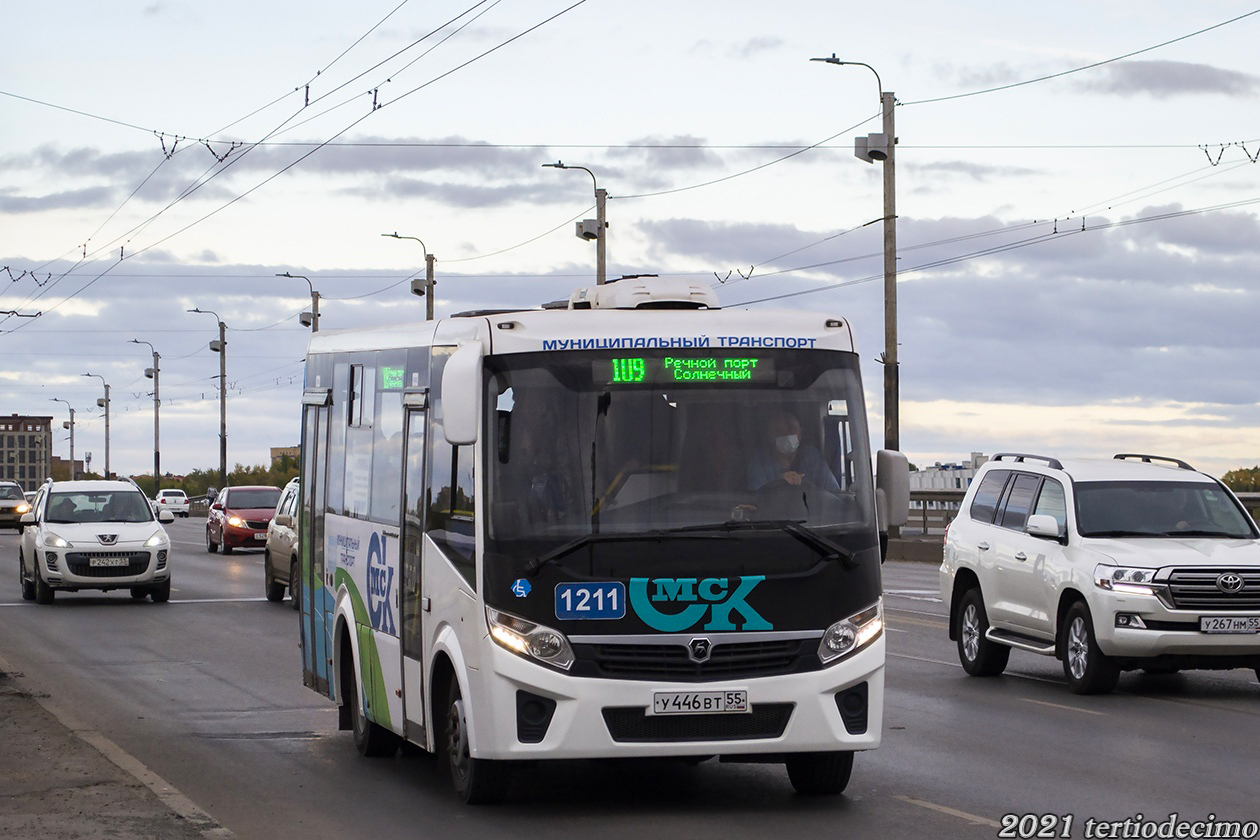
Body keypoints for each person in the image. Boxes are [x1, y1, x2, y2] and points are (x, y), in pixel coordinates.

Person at [747, 410, 840, 493]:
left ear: (800, 434)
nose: (786, 434)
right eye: (779, 430)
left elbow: (834, 492)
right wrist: (779, 485)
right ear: (770, 436)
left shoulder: (812, 457)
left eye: (791, 429)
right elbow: (756, 499)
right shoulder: (760, 462)